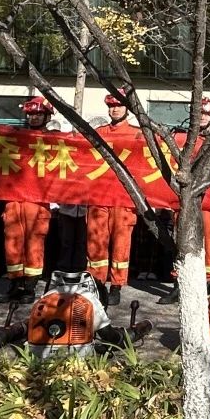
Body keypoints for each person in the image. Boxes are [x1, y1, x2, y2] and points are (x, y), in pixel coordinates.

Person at [159, 97, 210, 305]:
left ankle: (208, 284)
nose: (203, 117)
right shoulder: (182, 140)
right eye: (200, 113)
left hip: (209, 202)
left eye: (207, 114)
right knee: (181, 241)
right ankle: (178, 285)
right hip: (185, 201)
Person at [86, 91, 142, 306]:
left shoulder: (137, 135)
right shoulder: (98, 133)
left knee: (121, 243)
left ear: (127, 108)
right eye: (111, 106)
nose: (115, 109)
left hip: (123, 199)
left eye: (119, 105)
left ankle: (116, 285)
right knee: (95, 242)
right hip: (98, 196)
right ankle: (96, 283)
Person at [3, 96, 56, 301]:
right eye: (31, 114)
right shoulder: (15, 139)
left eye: (38, 114)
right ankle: (14, 285)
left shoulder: (54, 141)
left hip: (37, 200)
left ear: (47, 116)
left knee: (34, 244)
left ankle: (30, 288)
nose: (34, 118)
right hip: (14, 199)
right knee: (12, 242)